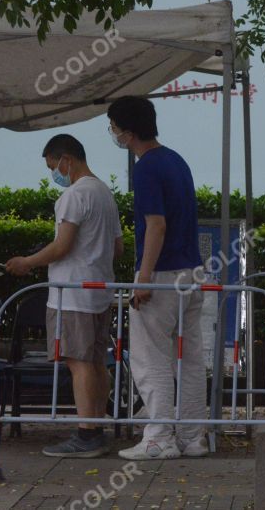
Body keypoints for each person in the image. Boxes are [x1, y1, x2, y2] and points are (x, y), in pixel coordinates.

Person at [6, 134, 123, 457]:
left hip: (72, 294)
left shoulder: (74, 196)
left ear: (66, 160)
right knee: (96, 361)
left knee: (78, 363)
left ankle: (86, 435)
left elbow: (62, 246)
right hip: (99, 291)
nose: (53, 174)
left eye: (52, 166)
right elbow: (118, 248)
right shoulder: (104, 193)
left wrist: (26, 262)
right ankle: (95, 428)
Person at [107, 96, 207, 460]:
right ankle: (195, 437)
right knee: (191, 358)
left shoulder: (146, 168)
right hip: (192, 272)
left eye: (114, 128)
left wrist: (143, 278)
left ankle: (159, 438)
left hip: (160, 275)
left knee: (151, 359)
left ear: (128, 132)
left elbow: (156, 224)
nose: (113, 134)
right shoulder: (176, 160)